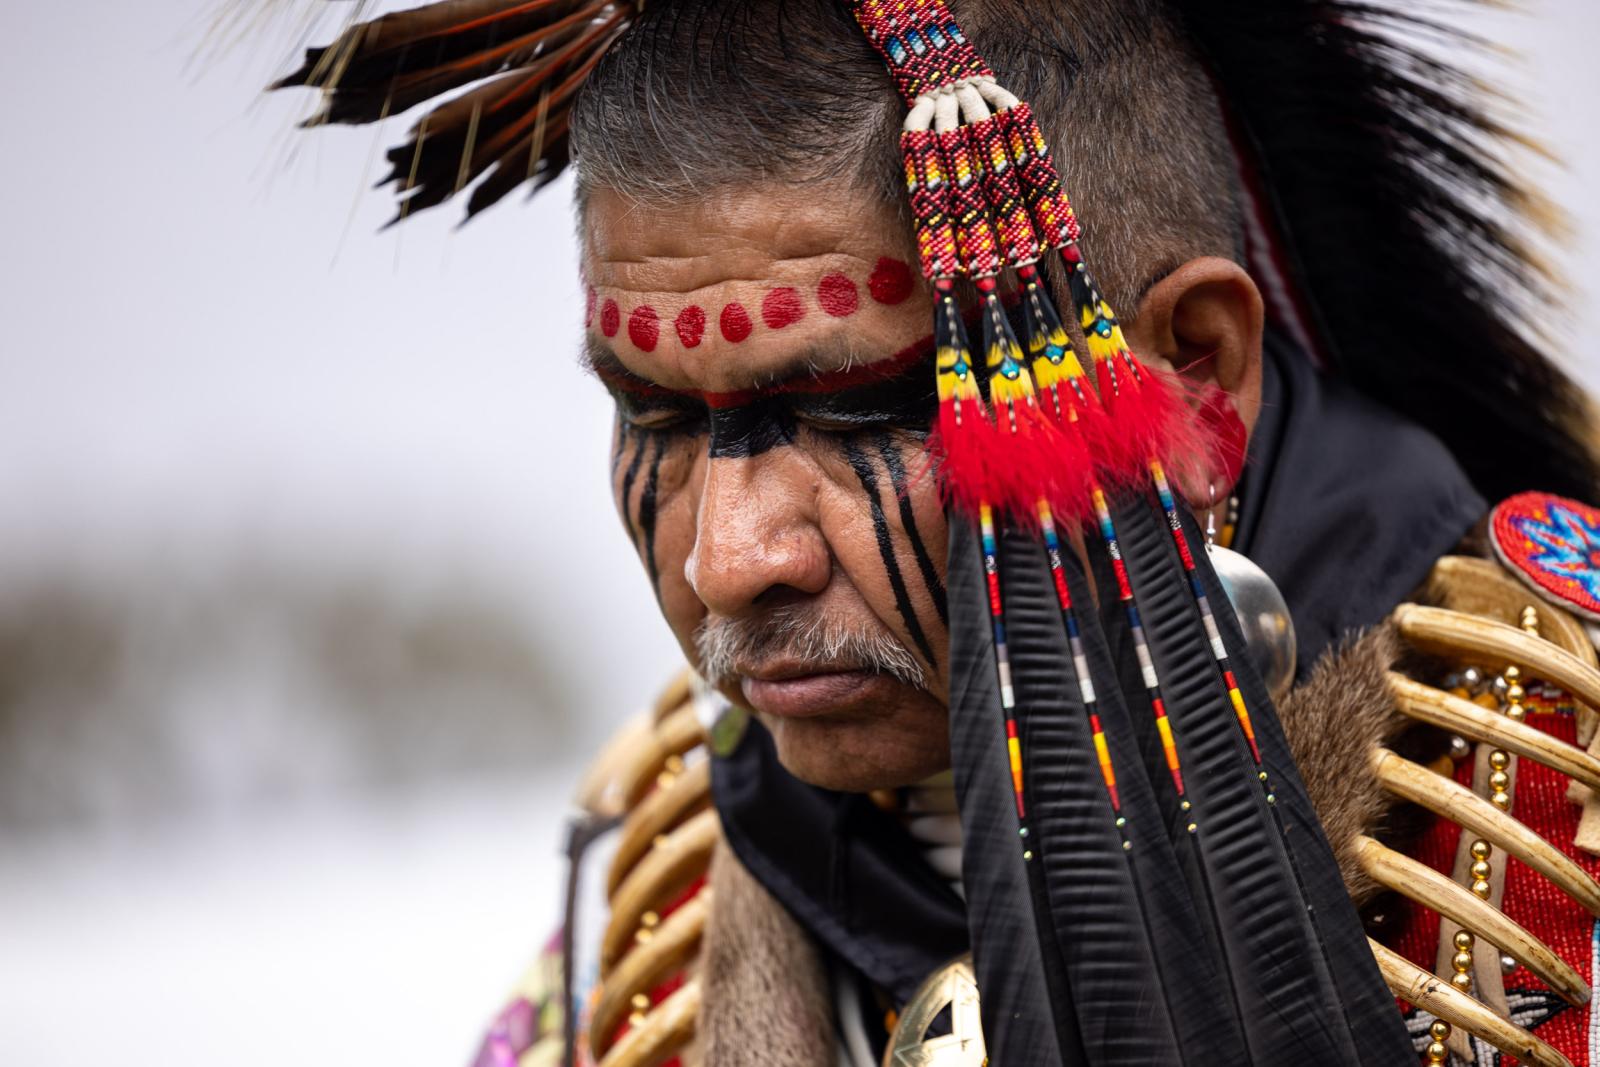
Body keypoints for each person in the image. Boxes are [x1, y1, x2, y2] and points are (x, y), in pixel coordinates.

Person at [266, 0, 1600, 1063]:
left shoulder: (1556, 793)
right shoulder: (651, 904)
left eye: (862, 414)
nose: (726, 559)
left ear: (1194, 372)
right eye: (655, 420)